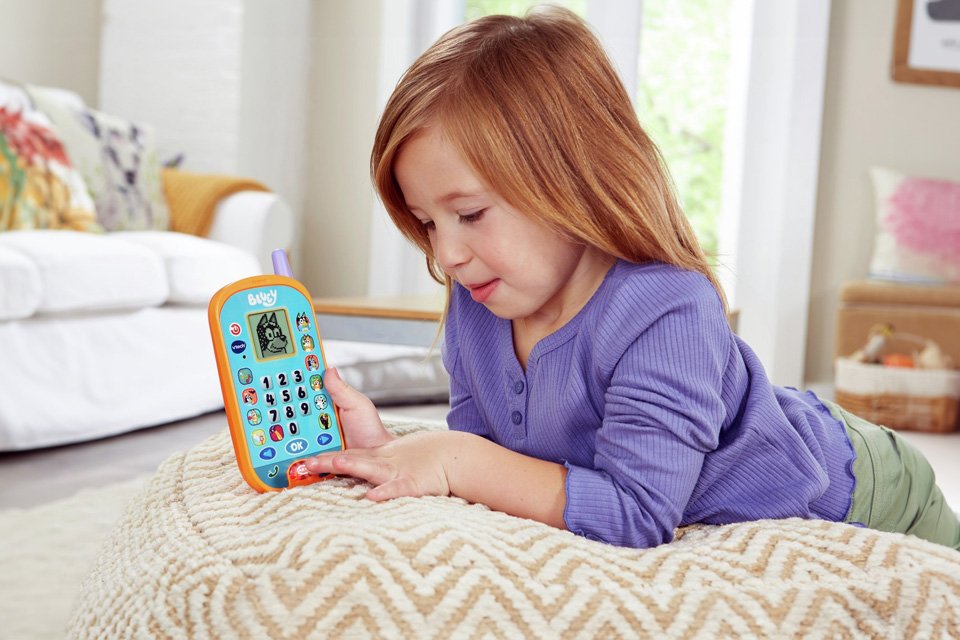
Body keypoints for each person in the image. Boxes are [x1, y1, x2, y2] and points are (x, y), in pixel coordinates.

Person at [304, 7, 960, 550]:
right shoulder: (481, 303)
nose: (446, 254)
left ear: (573, 177)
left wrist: (454, 458)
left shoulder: (665, 310)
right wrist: (399, 453)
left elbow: (638, 514)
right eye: (426, 223)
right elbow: (491, 465)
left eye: (469, 214)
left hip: (866, 486)